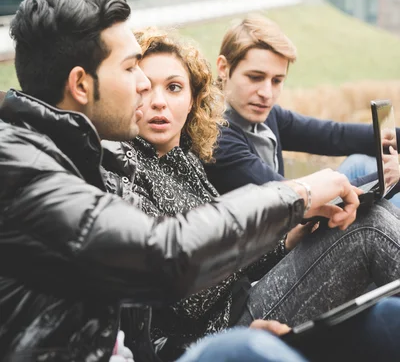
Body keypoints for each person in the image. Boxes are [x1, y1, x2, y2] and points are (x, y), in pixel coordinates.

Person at [0, 0, 364, 362]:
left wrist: (288, 234)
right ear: (80, 85)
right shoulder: (23, 169)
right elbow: (163, 257)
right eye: (130, 69)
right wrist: (298, 193)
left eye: (172, 87)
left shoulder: (79, 161)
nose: (143, 87)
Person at [105, 28, 400, 362]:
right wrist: (286, 217)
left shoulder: (184, 159)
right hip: (217, 331)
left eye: (173, 87)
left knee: (366, 210)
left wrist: (289, 238)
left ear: (192, 100)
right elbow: (189, 294)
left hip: (242, 300)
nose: (158, 101)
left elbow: (331, 135)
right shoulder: (126, 169)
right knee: (367, 227)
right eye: (145, 87)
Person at [207, 14, 400, 209]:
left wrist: (392, 138)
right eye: (255, 77)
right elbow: (289, 199)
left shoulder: (264, 114)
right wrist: (388, 177)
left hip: (294, 211)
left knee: (360, 162)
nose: (267, 93)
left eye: (277, 81)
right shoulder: (216, 135)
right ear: (223, 68)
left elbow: (334, 135)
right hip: (286, 229)